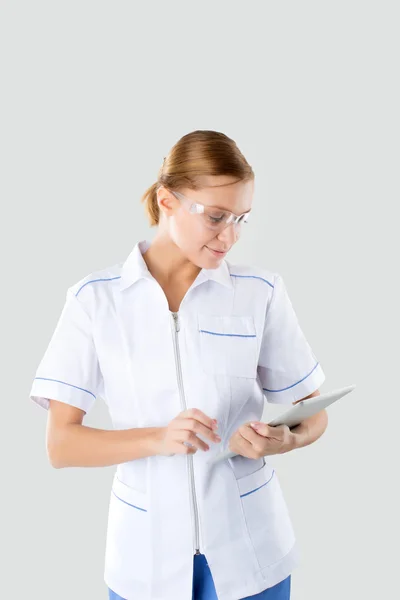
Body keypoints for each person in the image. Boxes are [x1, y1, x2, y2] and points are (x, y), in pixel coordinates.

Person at [29, 130, 327, 600]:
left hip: (251, 551)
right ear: (167, 200)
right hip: (144, 558)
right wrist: (157, 438)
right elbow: (61, 445)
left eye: (241, 218)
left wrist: (284, 438)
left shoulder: (260, 293)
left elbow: (314, 411)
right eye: (215, 217)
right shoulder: (96, 300)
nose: (230, 236)